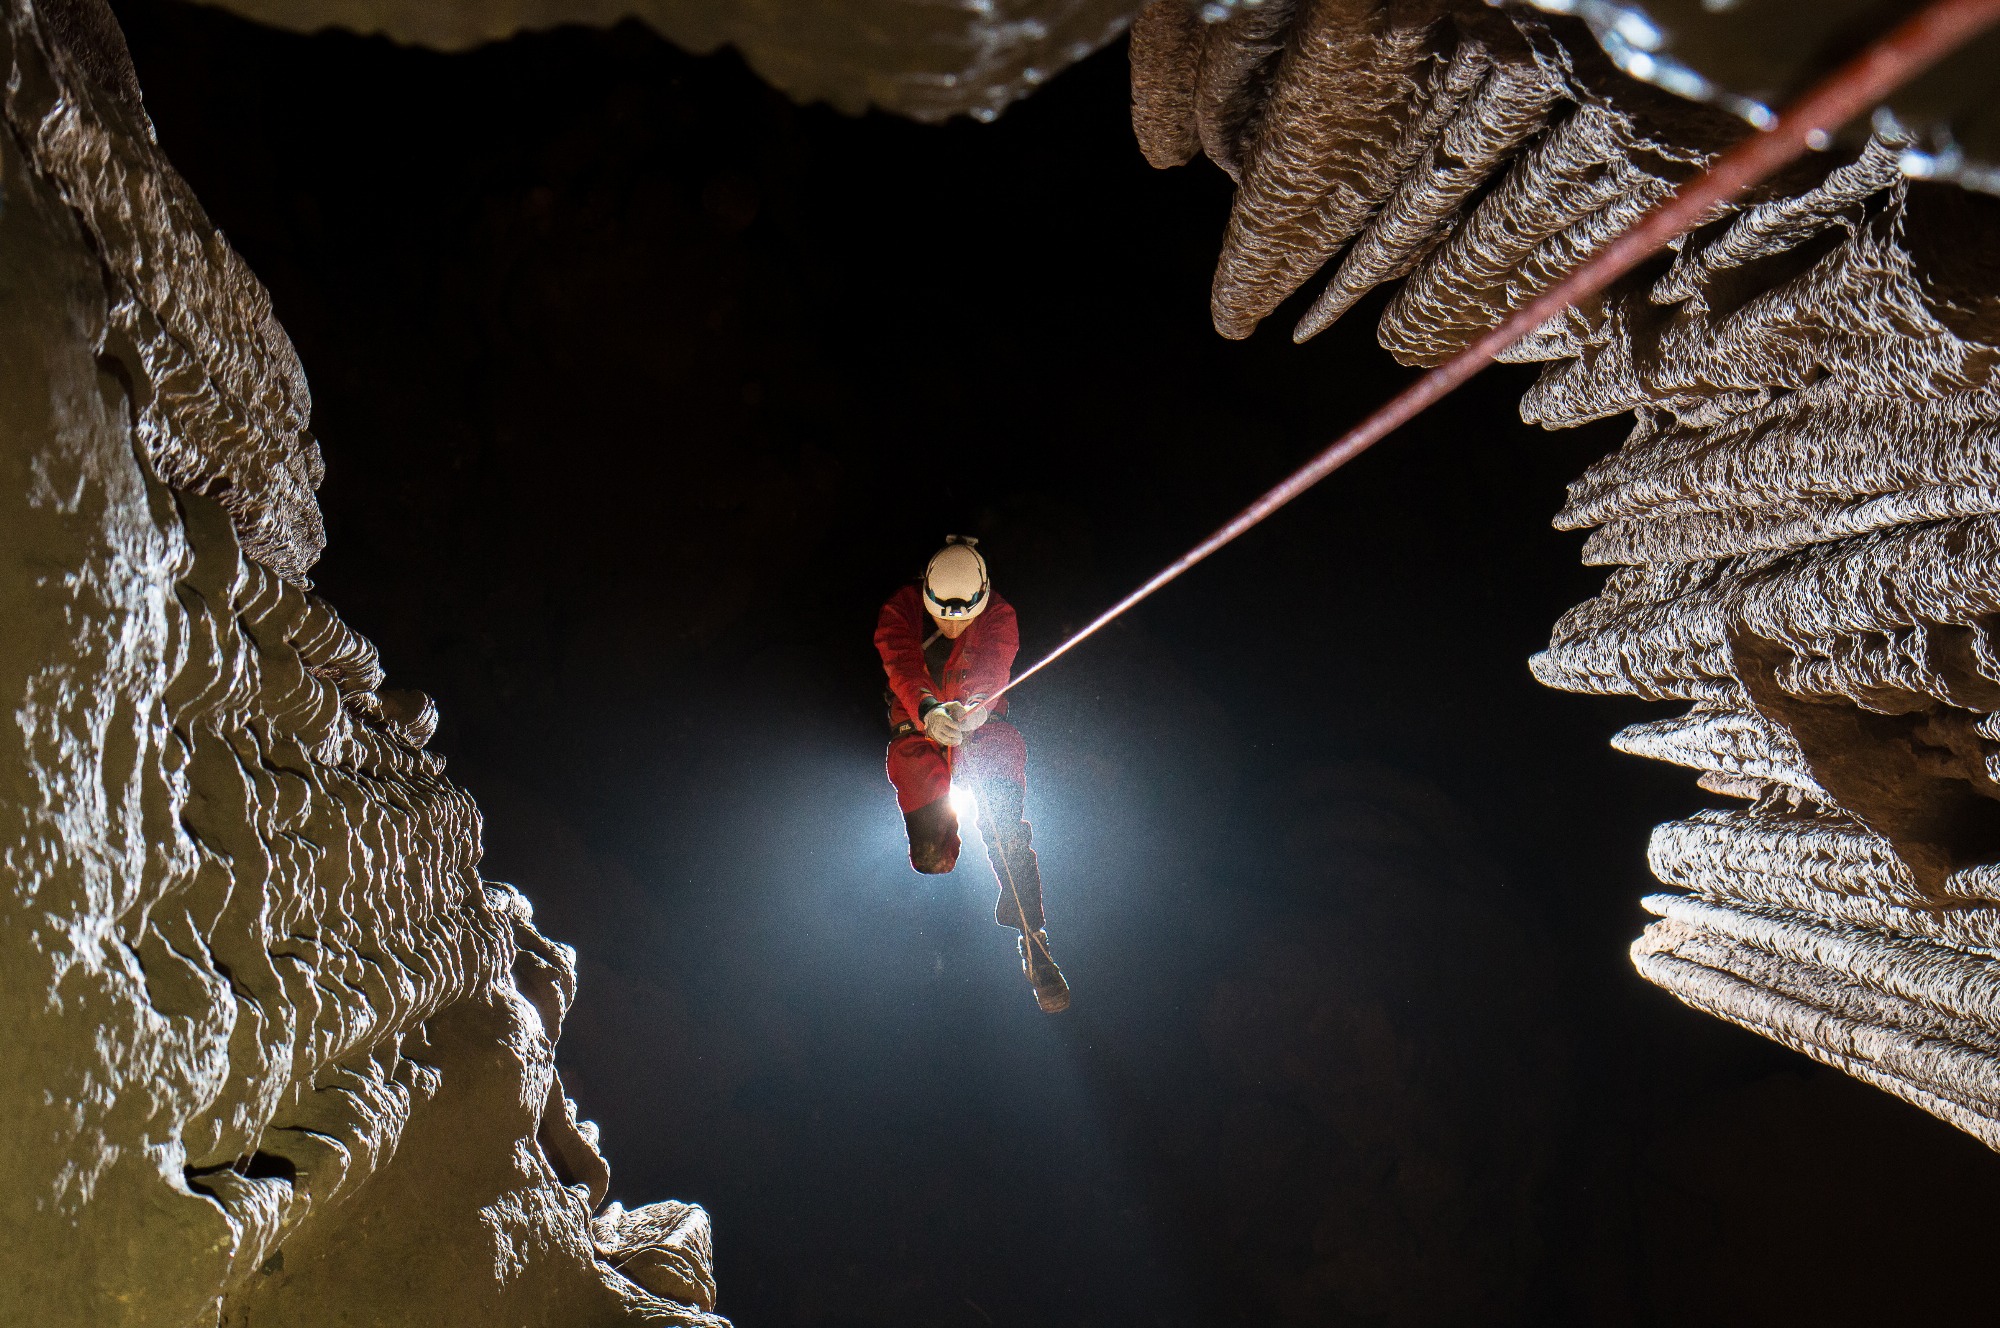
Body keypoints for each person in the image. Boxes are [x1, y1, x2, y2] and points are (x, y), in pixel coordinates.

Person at [875, 536, 1071, 1013]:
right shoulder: (901, 610)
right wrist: (927, 708)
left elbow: (994, 663)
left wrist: (978, 704)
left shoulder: (998, 614)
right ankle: (936, 850)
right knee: (932, 857)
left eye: (962, 619)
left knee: (1004, 821)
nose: (951, 626)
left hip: (982, 731)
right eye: (943, 618)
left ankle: (1032, 933)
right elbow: (901, 660)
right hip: (920, 733)